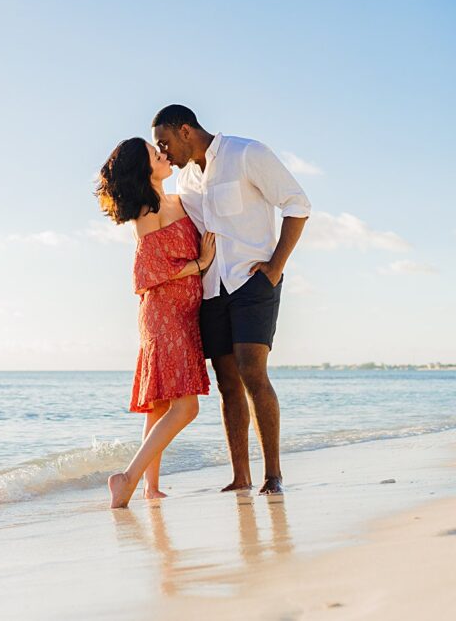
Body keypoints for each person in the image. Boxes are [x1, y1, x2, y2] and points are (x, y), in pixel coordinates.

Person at [152, 105, 311, 495]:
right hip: (210, 289)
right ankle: (241, 477)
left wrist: (275, 268)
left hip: (252, 281)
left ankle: (273, 476)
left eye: (165, 142)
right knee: (226, 383)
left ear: (185, 130)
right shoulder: (186, 180)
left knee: (252, 371)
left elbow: (298, 204)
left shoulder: (246, 153)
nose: (164, 151)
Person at [95, 137, 216, 508]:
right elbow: (148, 271)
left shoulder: (176, 200)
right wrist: (199, 264)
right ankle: (128, 478)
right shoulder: (146, 212)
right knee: (187, 407)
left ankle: (150, 487)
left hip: (183, 313)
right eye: (154, 154)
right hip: (163, 314)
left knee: (162, 405)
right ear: (143, 169)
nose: (163, 155)